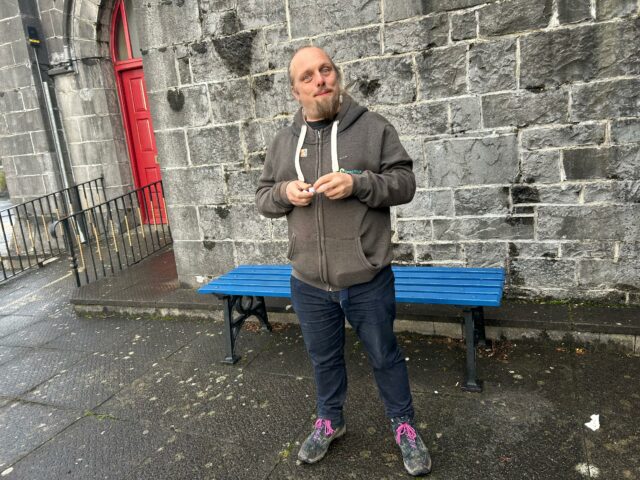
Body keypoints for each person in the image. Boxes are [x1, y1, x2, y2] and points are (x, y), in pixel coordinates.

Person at [255, 46, 431, 477]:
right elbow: (263, 196)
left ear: (337, 74)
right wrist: (283, 194)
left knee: (385, 356)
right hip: (309, 281)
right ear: (296, 91)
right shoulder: (283, 142)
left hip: (366, 277)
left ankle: (403, 425)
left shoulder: (373, 128)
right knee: (323, 359)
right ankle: (330, 420)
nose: (321, 80)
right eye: (309, 76)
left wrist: (359, 183)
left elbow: (404, 183)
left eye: (326, 70)